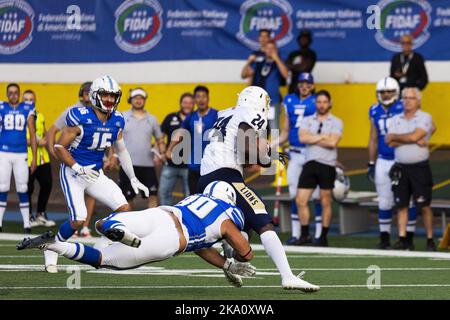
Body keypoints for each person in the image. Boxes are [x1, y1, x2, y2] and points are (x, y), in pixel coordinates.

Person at [17, 181, 257, 288]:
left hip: (162, 214)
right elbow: (244, 252)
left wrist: (225, 264)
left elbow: (202, 247)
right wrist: (238, 254)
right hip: (172, 240)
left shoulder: (197, 198)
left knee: (115, 220)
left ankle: (97, 228)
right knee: (104, 259)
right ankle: (54, 247)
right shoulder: (228, 214)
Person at [199, 86, 319, 292]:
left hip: (205, 178)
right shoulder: (251, 115)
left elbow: (230, 149)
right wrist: (266, 156)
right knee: (262, 219)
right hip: (227, 176)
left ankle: (230, 258)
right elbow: (248, 152)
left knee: (243, 228)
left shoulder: (224, 113)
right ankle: (287, 276)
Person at [51, 75, 150, 271]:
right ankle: (52, 246)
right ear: (95, 96)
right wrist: (77, 167)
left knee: (124, 209)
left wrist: (132, 177)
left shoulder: (118, 119)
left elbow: (121, 150)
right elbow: (58, 147)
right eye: (105, 96)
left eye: (113, 97)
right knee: (78, 219)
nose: (110, 100)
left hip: (96, 173)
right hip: (74, 173)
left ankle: (101, 246)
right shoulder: (80, 116)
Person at [368, 77, 417, 249]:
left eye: (389, 91)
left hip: (402, 160)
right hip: (383, 159)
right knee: (384, 201)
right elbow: (373, 139)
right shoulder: (374, 110)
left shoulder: (403, 108)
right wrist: (371, 162)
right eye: (383, 92)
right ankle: (385, 238)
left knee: (407, 200)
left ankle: (407, 238)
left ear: (396, 93)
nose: (386, 94)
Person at [386, 87, 436, 251]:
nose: (407, 101)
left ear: (418, 101)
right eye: (405, 98)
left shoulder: (425, 117)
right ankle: (402, 239)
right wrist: (413, 139)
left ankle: (430, 239)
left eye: (411, 98)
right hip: (401, 167)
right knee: (402, 205)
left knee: (425, 205)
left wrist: (403, 137)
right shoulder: (395, 118)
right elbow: (390, 141)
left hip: (419, 168)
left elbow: (415, 135)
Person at [47, 81, 97, 238]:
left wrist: (111, 156)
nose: (88, 96)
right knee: (75, 193)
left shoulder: (99, 111)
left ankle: (85, 227)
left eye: (91, 92)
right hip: (73, 159)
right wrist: (52, 149)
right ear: (81, 93)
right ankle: (75, 225)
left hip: (91, 157)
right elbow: (53, 129)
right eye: (86, 92)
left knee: (91, 193)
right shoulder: (71, 110)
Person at [277, 73, 322, 245]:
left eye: (307, 83)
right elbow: (285, 132)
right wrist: (271, 143)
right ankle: (297, 234)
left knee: (317, 195)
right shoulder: (289, 101)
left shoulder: (317, 101)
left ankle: (318, 234)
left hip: (313, 153)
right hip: (295, 153)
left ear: (312, 85)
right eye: (301, 83)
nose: (304, 86)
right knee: (295, 195)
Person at [296, 90, 343, 247]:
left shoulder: (336, 121)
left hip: (327, 164)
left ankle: (322, 236)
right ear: (315, 103)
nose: (322, 105)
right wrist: (324, 136)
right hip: (310, 163)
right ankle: (304, 234)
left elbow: (333, 143)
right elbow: (302, 138)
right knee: (300, 199)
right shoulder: (308, 119)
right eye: (319, 102)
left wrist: (313, 138)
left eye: (324, 102)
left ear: (329, 103)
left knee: (325, 201)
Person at [119, 87, 166, 209]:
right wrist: (112, 157)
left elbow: (160, 139)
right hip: (127, 165)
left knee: (153, 196)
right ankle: (128, 227)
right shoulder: (122, 116)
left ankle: (153, 226)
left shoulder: (152, 119)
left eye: (141, 98)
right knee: (127, 198)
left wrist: (162, 153)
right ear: (130, 99)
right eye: (136, 98)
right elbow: (115, 139)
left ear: (145, 100)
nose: (138, 100)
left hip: (148, 165)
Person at [167, 85, 218, 194]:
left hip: (211, 166)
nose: (201, 99)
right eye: (198, 96)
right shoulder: (191, 116)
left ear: (208, 98)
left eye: (204, 96)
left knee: (212, 196)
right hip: (194, 166)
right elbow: (180, 133)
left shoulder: (216, 115)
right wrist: (170, 149)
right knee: (194, 196)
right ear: (195, 100)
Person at [0, 83, 37, 234]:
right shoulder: (2, 107)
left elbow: (33, 133)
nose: (13, 95)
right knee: (2, 187)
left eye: (16, 93)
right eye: (11, 93)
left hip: (21, 152)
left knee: (23, 188)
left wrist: (34, 157)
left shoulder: (27, 108)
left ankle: (26, 225)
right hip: (4, 152)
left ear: (19, 94)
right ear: (7, 94)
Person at [22, 90, 55, 228]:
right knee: (28, 188)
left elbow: (45, 132)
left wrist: (47, 140)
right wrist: (35, 142)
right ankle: (28, 216)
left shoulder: (40, 115)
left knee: (47, 184)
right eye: (26, 99)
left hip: (43, 157)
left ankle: (41, 213)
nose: (29, 101)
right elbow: (18, 138)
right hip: (27, 157)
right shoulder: (20, 117)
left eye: (31, 99)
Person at [241, 40, 289, 128]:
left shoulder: (279, 63)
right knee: (259, 129)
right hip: (257, 102)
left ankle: (276, 142)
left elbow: (286, 75)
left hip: (272, 101)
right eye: (268, 48)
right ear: (264, 50)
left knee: (274, 128)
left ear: (276, 50)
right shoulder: (259, 63)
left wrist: (276, 58)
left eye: (272, 48)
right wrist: (249, 62)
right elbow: (244, 75)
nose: (270, 50)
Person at [159, 93, 194, 205]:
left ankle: (186, 221)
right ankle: (165, 219)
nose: (187, 105)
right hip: (170, 165)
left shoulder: (197, 119)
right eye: (185, 102)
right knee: (163, 194)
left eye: (190, 103)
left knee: (190, 197)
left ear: (194, 104)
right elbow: (161, 137)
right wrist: (163, 151)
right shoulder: (170, 118)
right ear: (180, 103)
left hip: (190, 167)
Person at [286, 29, 317, 94]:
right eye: (302, 38)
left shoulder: (311, 54)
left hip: (307, 85)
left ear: (309, 41)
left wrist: (293, 66)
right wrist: (298, 66)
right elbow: (287, 66)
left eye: (306, 38)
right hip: (293, 85)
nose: (303, 40)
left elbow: (305, 68)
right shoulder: (293, 54)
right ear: (298, 40)